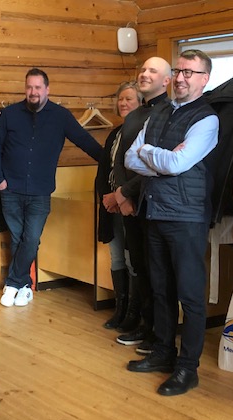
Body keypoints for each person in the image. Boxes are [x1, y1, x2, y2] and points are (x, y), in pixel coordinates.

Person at [124, 50, 218, 397]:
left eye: (189, 73)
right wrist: (159, 158)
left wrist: (150, 153)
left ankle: (187, 369)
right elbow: (130, 158)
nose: (180, 78)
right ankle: (163, 352)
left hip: (187, 217)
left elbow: (178, 164)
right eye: (178, 71)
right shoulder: (160, 111)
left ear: (204, 79)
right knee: (160, 289)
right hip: (155, 211)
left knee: (189, 296)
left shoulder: (207, 119)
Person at [0, 68, 103, 307]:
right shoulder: (9, 114)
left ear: (47, 89)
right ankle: (24, 287)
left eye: (38, 87)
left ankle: (13, 283)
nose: (33, 92)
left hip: (40, 191)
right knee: (18, 238)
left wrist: (111, 161)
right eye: (29, 87)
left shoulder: (61, 116)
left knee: (31, 238)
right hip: (10, 190)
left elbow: (84, 141)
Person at [109, 57, 173, 353]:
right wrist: (121, 194)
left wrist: (125, 193)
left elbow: (154, 163)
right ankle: (144, 326)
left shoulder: (168, 113)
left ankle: (157, 333)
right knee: (138, 267)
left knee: (155, 271)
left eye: (153, 71)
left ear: (167, 81)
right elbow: (123, 159)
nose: (145, 74)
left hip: (150, 203)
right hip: (129, 203)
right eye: (143, 69)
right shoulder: (135, 115)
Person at [96, 81, 143, 329]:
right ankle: (120, 309)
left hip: (130, 205)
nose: (123, 103)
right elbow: (105, 170)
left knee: (131, 258)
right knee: (116, 258)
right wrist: (108, 198)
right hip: (112, 206)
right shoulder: (115, 133)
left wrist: (123, 197)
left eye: (129, 99)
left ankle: (134, 313)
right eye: (121, 99)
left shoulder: (142, 131)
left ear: (140, 103)